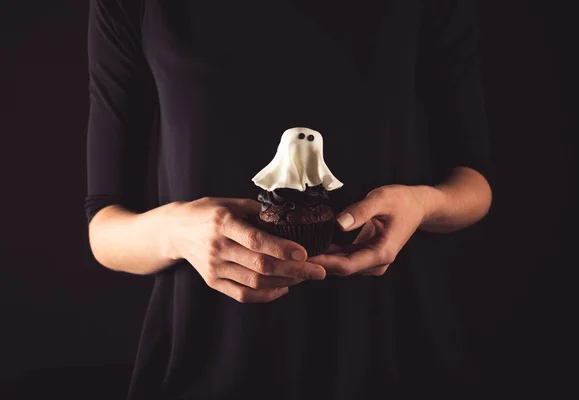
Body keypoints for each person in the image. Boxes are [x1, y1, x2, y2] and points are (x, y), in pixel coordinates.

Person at [85, 0, 493, 399]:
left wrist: (424, 205)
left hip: (393, 345)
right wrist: (176, 232)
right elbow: (104, 226)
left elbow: (474, 184)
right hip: (208, 358)